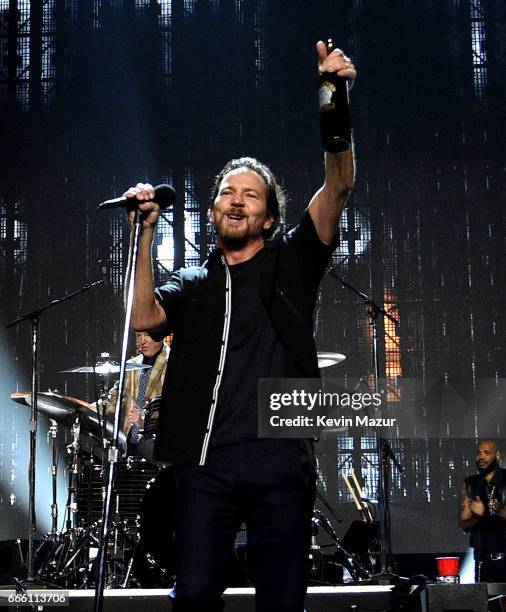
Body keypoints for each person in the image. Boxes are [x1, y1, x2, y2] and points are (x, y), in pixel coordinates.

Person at [124, 41, 356, 612]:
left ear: (269, 216)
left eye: (250, 195)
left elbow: (339, 185)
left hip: (278, 457)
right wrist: (145, 233)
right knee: (195, 593)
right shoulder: (193, 278)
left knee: (281, 601)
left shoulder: (291, 263)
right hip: (205, 461)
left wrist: (334, 96)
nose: (236, 200)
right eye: (228, 191)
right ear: (212, 209)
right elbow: (145, 318)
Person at [106, 330, 170, 451]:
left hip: (158, 446)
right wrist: (80, 407)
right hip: (131, 443)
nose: (142, 341)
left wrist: (144, 423)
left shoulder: (173, 363)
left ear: (160, 335)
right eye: (138, 336)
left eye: (147, 335)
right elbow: (112, 401)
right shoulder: (131, 365)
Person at [459, 439, 506, 582]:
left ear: (497, 455)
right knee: (485, 600)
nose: (481, 457)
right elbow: (463, 523)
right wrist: (477, 516)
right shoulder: (470, 484)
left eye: (486, 453)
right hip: (483, 560)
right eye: (478, 453)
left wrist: (501, 513)